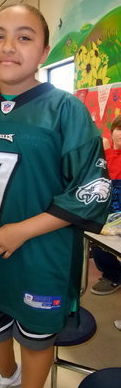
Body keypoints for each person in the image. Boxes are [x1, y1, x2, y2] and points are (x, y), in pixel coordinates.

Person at [0, 3, 111, 388]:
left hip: (43, 249)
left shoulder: (65, 109)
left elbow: (93, 191)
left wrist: (23, 230)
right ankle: (7, 376)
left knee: (37, 332)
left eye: (24, 37)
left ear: (44, 53)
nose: (9, 46)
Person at [90, 115, 121, 295]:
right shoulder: (103, 155)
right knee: (96, 237)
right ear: (112, 132)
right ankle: (112, 275)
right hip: (105, 207)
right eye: (119, 129)